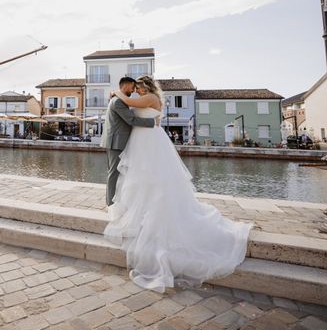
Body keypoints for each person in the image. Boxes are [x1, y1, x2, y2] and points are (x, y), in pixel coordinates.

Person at [104, 75, 251, 292]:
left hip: (149, 140)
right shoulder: (148, 98)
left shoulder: (149, 97)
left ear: (147, 87)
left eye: (140, 87)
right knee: (144, 179)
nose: (137, 90)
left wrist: (116, 92)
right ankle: (142, 209)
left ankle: (152, 210)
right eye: (136, 88)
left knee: (154, 178)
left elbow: (131, 104)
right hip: (143, 141)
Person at [100, 77, 155, 207]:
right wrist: (153, 122)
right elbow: (131, 120)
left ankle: (115, 200)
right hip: (116, 142)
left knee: (115, 173)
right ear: (127, 85)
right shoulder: (118, 101)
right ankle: (111, 204)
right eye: (133, 87)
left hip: (115, 141)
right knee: (114, 173)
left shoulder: (116, 99)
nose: (134, 90)